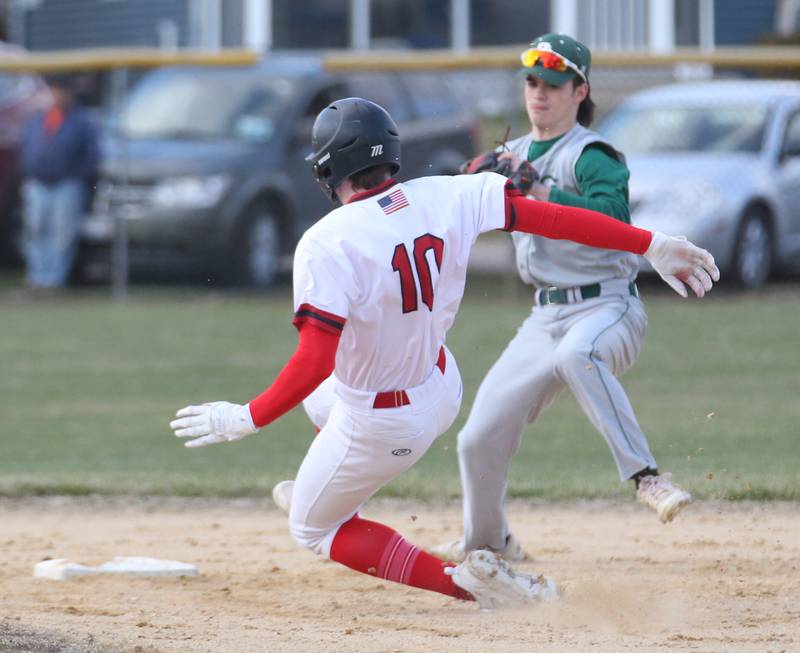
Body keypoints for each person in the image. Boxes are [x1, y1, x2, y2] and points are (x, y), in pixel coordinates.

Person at [169, 97, 718, 610]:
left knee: (314, 530)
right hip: (439, 385)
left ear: (328, 170)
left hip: (382, 420)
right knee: (320, 397)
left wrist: (246, 417)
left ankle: (463, 583)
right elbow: (552, 218)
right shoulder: (450, 193)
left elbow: (313, 355)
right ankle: (335, 488)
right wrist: (651, 243)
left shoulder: (326, 241)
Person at [432, 33, 698, 564]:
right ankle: (489, 544)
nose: (540, 93)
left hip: (607, 306)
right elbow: (456, 206)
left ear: (580, 91)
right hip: (544, 315)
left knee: (579, 354)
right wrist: (463, 184)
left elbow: (612, 222)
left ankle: (647, 477)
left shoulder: (593, 155)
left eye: (553, 84)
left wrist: (542, 191)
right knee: (477, 438)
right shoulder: (510, 156)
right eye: (532, 82)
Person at [19, 74, 98, 289]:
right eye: (53, 90)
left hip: (67, 184)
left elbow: (91, 157)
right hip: (38, 183)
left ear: (70, 93)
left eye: (61, 90)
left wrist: (76, 175)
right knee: (35, 230)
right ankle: (37, 277)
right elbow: (26, 148)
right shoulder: (38, 119)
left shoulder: (81, 120)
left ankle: (54, 280)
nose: (56, 95)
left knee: (62, 234)